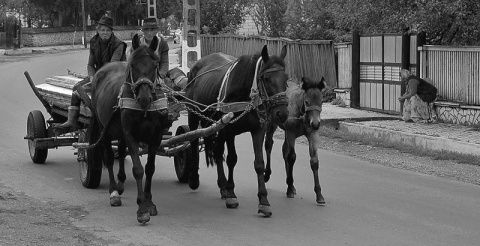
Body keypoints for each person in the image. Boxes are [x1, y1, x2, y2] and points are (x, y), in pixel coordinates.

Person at [55, 15, 127, 130]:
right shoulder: (94, 42)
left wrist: (97, 79)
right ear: (97, 30)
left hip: (116, 77)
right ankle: (72, 121)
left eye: (108, 30)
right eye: (102, 30)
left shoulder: (119, 44)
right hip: (99, 76)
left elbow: (112, 66)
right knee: (76, 90)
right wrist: (92, 77)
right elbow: (90, 64)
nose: (105, 33)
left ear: (112, 31)